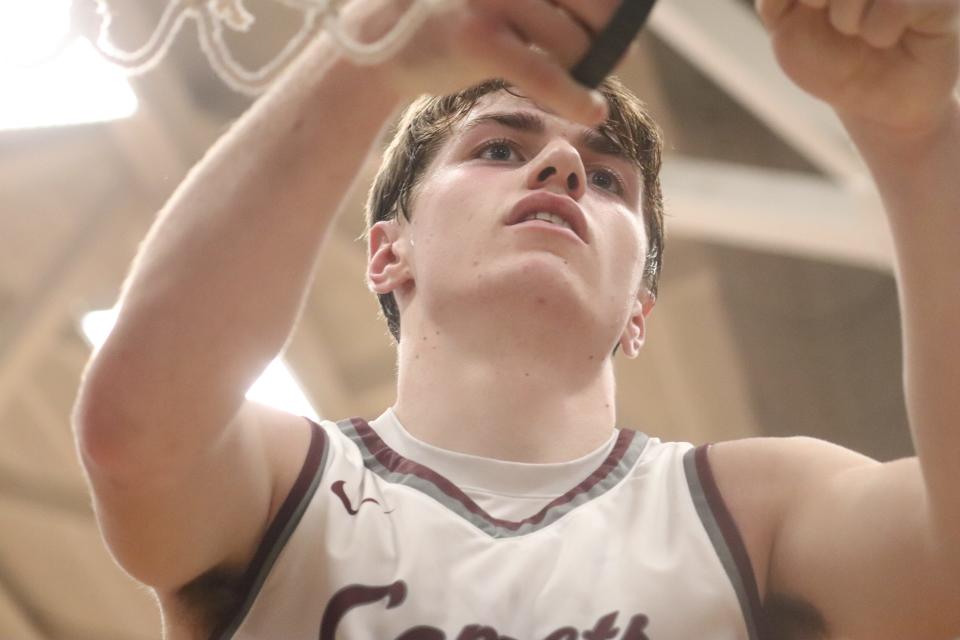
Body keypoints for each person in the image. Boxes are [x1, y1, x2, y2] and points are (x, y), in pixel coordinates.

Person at [72, 0, 960, 638]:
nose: (565, 170)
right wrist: (374, 47)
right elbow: (134, 430)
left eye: (608, 180)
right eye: (500, 148)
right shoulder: (282, 482)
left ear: (637, 312)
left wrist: (915, 142)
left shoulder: (758, 509)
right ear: (389, 254)